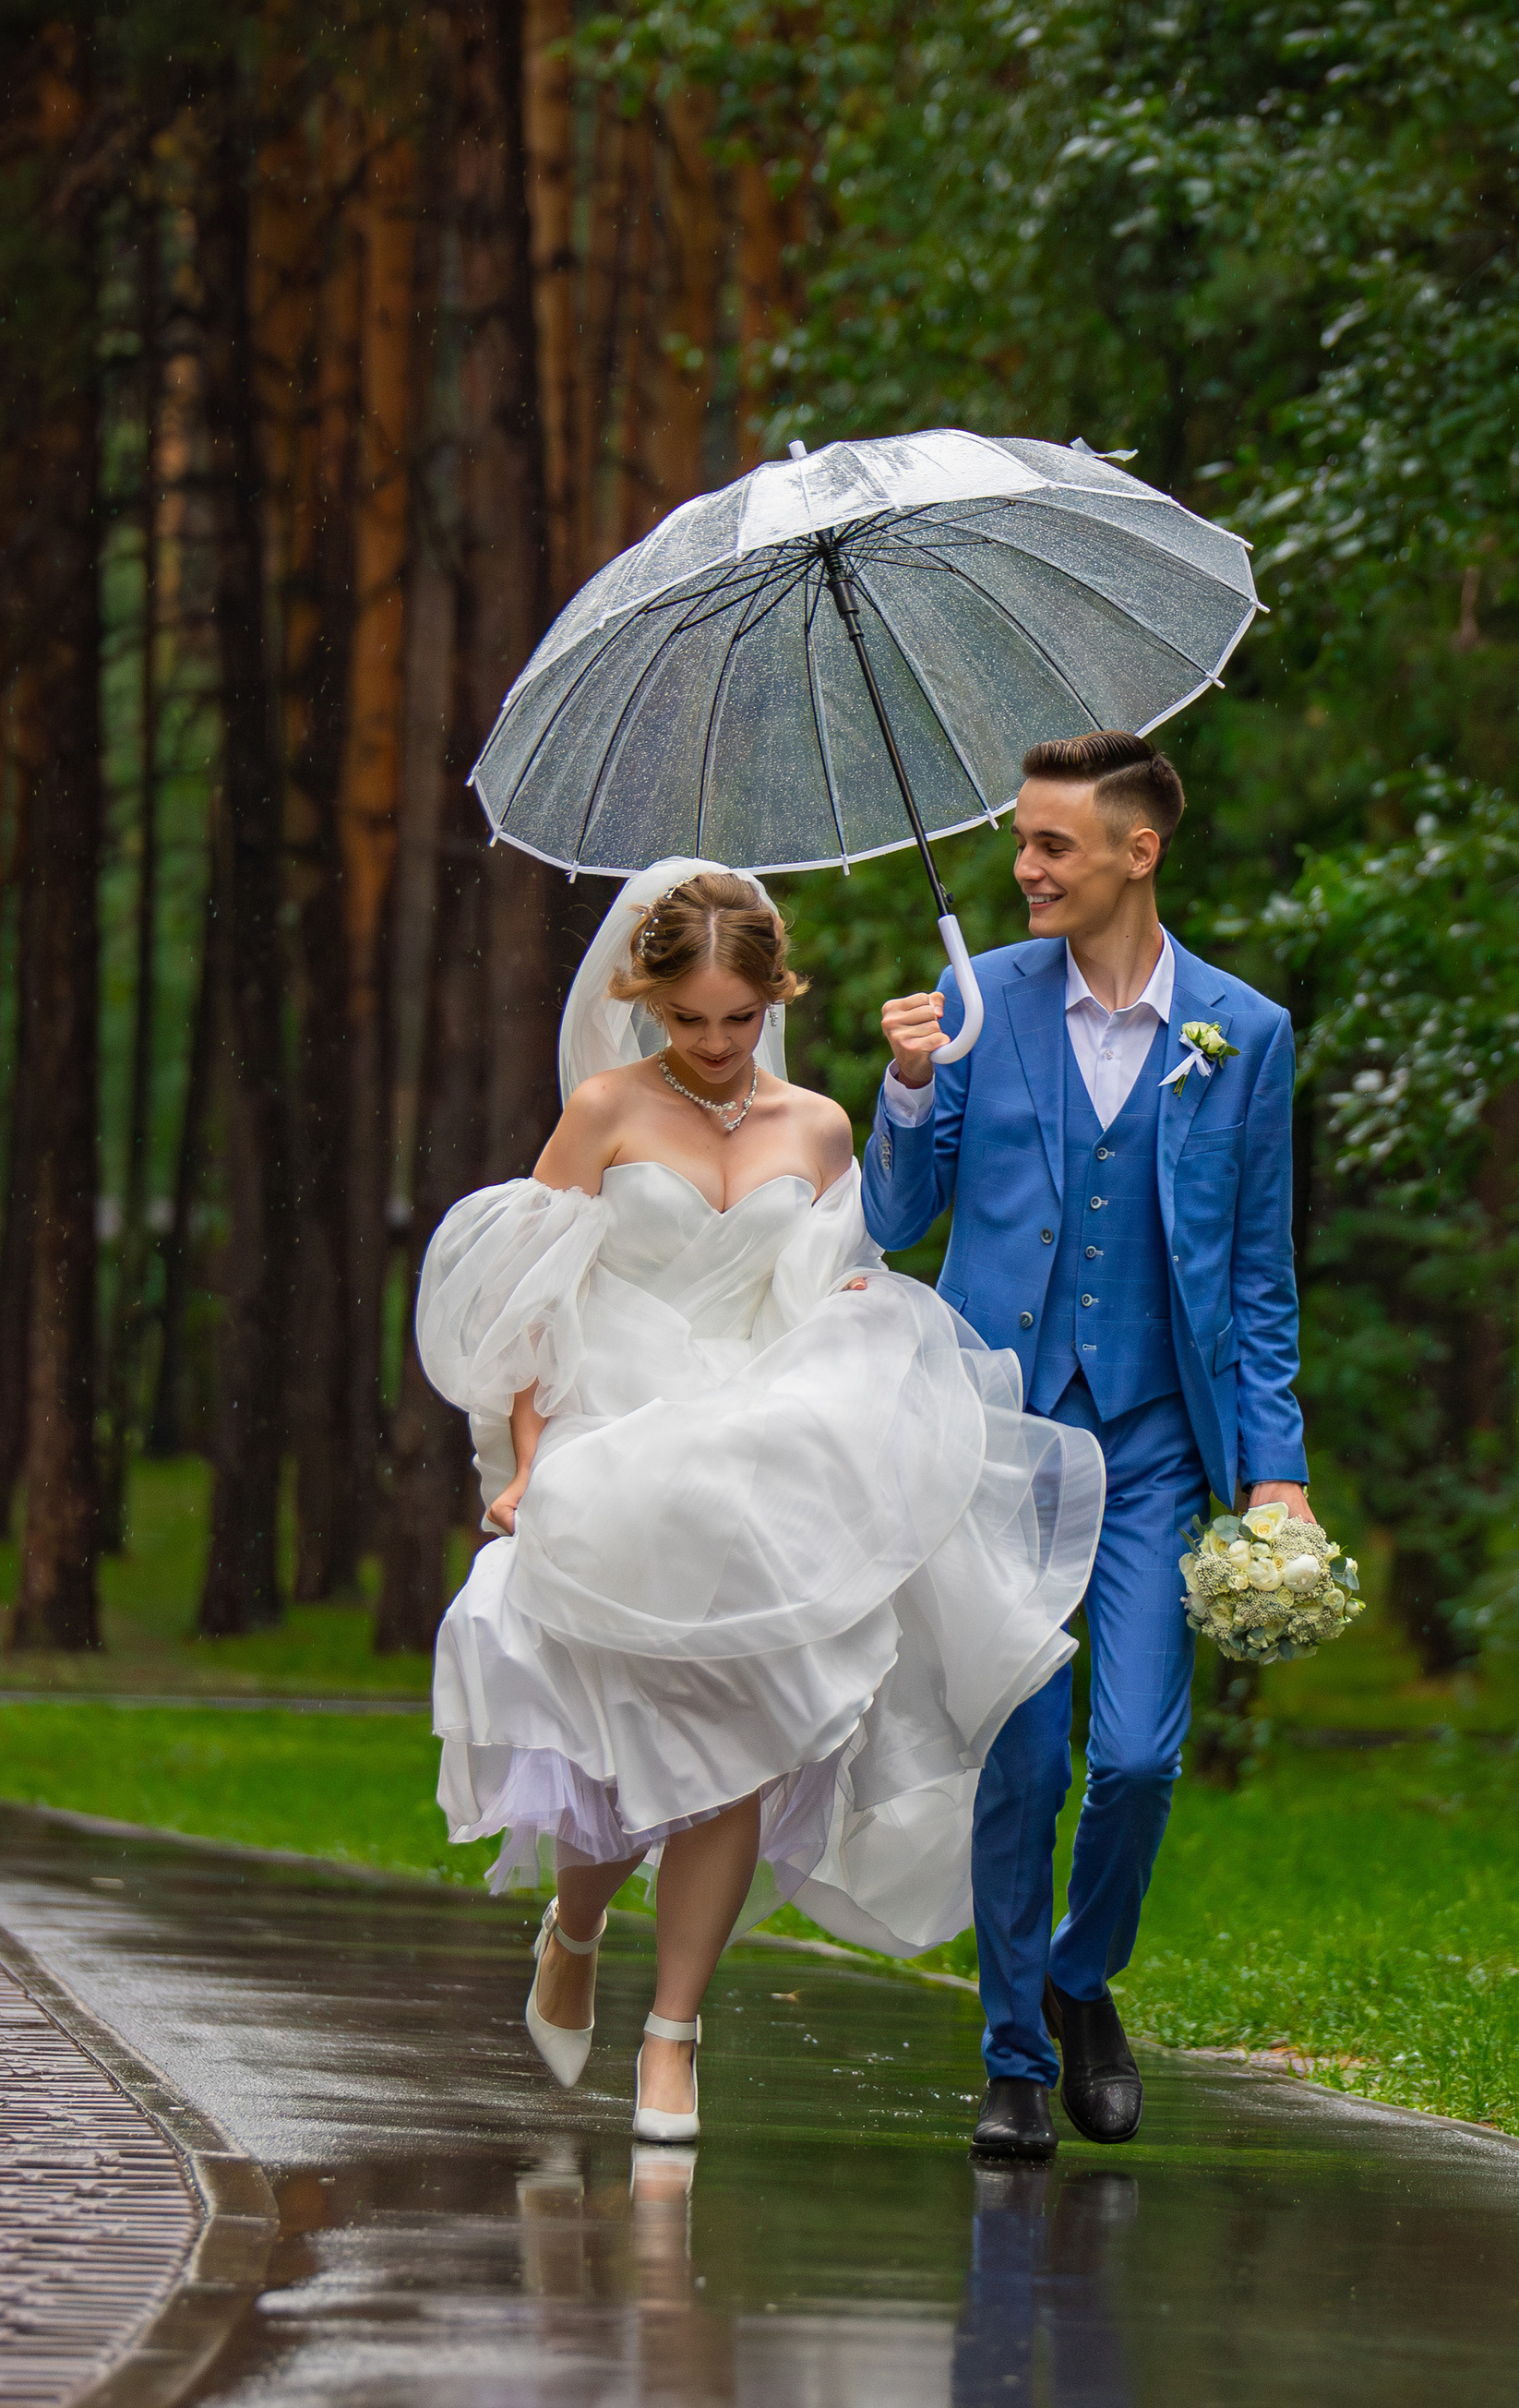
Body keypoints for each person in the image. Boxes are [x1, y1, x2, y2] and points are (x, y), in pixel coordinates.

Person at [414, 861, 1104, 2146]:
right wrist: (524, 1464)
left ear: (777, 997)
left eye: (740, 1018)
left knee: (743, 1735)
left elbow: (828, 1275)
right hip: (615, 1435)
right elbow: (532, 1303)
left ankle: (673, 2035)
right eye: (690, 1022)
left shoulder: (820, 1126)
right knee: (613, 1746)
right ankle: (574, 1926)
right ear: (649, 1002)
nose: (719, 1047)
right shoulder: (605, 1113)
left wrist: (844, 1307)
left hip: (758, 1450)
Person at [867, 730, 1314, 2162]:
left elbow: (1258, 1276)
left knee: (1133, 1757)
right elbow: (890, 1218)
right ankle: (1009, 2058)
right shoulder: (975, 998)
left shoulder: (1241, 1033)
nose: (1024, 867)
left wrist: (1276, 1471)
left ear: (1141, 850)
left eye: (1055, 844)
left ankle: (1075, 1975)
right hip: (999, 1430)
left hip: (1154, 1442)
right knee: (1018, 1763)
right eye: (1020, 841)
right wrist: (914, 1090)